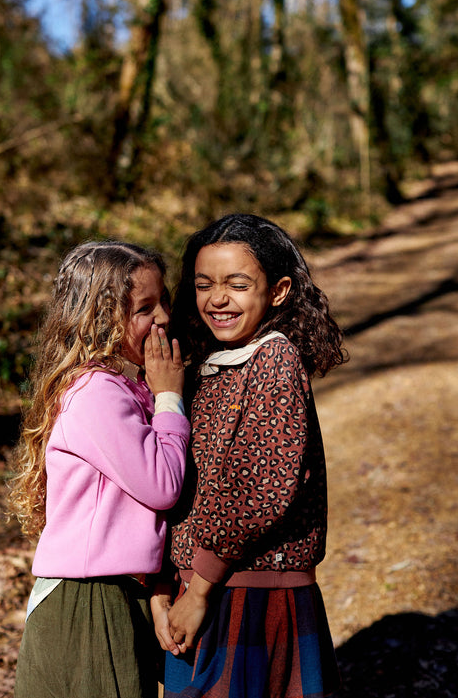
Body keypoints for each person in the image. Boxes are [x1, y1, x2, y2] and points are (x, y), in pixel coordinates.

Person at [152, 214, 346, 698]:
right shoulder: (204, 367)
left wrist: (199, 590)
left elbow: (257, 490)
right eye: (204, 285)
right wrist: (163, 586)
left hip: (253, 593)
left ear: (278, 291)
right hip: (203, 587)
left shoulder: (274, 358)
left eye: (237, 285)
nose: (217, 299)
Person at [8, 240, 190, 698]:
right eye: (145, 308)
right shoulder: (96, 392)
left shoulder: (119, 386)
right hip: (88, 604)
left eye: (163, 299)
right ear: (103, 318)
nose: (164, 317)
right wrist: (170, 397)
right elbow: (162, 484)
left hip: (109, 596)